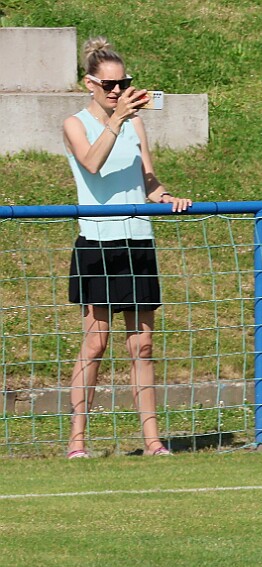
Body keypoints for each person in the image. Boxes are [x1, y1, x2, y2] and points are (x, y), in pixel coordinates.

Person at [61, 36, 191, 459]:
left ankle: (153, 441)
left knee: (142, 345)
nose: (118, 90)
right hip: (98, 243)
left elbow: (148, 178)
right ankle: (77, 441)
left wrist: (166, 196)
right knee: (95, 344)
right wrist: (116, 120)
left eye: (124, 83)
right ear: (90, 84)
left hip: (138, 241)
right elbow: (91, 164)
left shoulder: (135, 124)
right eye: (109, 84)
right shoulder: (76, 124)